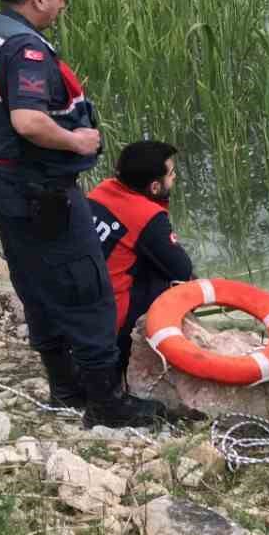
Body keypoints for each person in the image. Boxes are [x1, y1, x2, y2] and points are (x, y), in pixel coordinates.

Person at [0, 0, 167, 428]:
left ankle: (64, 388)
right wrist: (76, 140)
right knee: (88, 290)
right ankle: (107, 405)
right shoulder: (26, 50)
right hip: (43, 192)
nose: (63, 5)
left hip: (3, 185)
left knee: (35, 284)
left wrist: (1, 126)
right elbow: (28, 121)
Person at [87, 140, 195, 385]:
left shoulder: (102, 190)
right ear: (155, 186)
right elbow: (182, 270)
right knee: (177, 280)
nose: (175, 177)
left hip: (81, 302)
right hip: (109, 318)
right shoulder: (147, 216)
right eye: (171, 173)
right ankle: (130, 357)